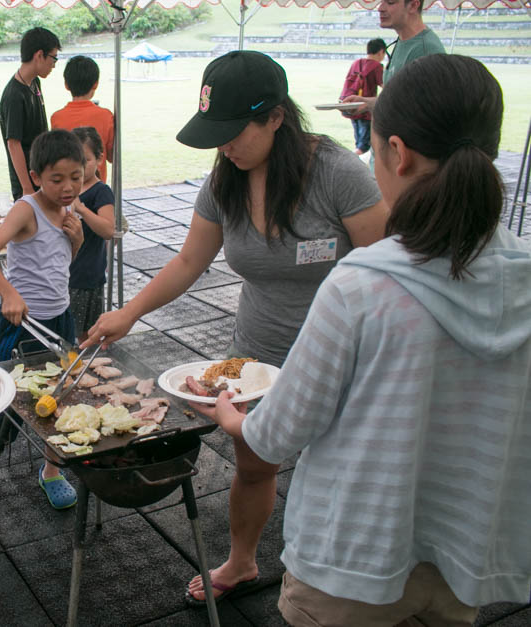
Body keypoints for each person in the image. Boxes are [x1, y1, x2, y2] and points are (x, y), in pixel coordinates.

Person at [201, 54, 531, 626]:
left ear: (396, 153)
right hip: (465, 556)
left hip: (351, 566)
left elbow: (281, 431)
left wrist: (237, 419)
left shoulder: (362, 284)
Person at [82, 51, 388, 605]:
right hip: (258, 355)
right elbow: (186, 263)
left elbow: (390, 262)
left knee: (344, 470)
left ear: (275, 117)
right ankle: (242, 562)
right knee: (254, 462)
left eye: (232, 131)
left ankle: (347, 574)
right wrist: (129, 313)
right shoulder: (224, 180)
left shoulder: (338, 173)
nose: (223, 146)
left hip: (347, 352)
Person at [0, 129, 85, 512]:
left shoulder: (69, 213)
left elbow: (62, 266)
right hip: (22, 323)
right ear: (35, 176)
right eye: (57, 179)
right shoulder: (26, 209)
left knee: (60, 396)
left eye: (75, 177)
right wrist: (9, 293)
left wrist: (76, 241)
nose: (67, 187)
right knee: (3, 397)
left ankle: (51, 470)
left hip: (60, 318)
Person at [344, 0, 445, 114]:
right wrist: (367, 103)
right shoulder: (403, 41)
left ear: (413, 5)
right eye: (382, 2)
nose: (380, 8)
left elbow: (424, 111)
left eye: (390, 2)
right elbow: (402, 100)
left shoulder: (425, 50)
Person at [0, 27, 61, 201]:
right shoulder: (14, 95)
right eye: (53, 58)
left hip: (42, 176)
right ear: (39, 55)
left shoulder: (35, 83)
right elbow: (13, 144)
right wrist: (27, 188)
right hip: (28, 184)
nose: (54, 65)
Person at [69, 126, 115, 342]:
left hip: (86, 276)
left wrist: (82, 209)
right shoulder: (66, 189)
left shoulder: (101, 192)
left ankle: (87, 367)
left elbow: (108, 229)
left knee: (85, 335)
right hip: (64, 273)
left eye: (85, 160)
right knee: (65, 331)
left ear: (99, 159)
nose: (79, 167)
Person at [51, 55, 115, 183]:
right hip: (96, 189)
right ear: (95, 84)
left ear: (66, 85)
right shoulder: (106, 116)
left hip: (67, 190)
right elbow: (112, 156)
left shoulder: (57, 118)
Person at [339, 38, 387, 156]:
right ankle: (349, 163)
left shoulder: (356, 63)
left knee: (359, 142)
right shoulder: (377, 67)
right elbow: (385, 87)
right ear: (381, 52)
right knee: (364, 146)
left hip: (351, 107)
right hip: (365, 111)